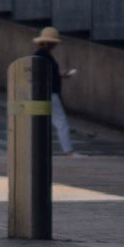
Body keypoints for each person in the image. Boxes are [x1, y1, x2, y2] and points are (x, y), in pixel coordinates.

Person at [31, 26, 77, 157]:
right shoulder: (42, 55)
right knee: (61, 121)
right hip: (49, 92)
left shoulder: (40, 54)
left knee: (44, 122)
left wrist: (58, 75)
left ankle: (39, 150)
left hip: (45, 92)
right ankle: (68, 151)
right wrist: (57, 75)